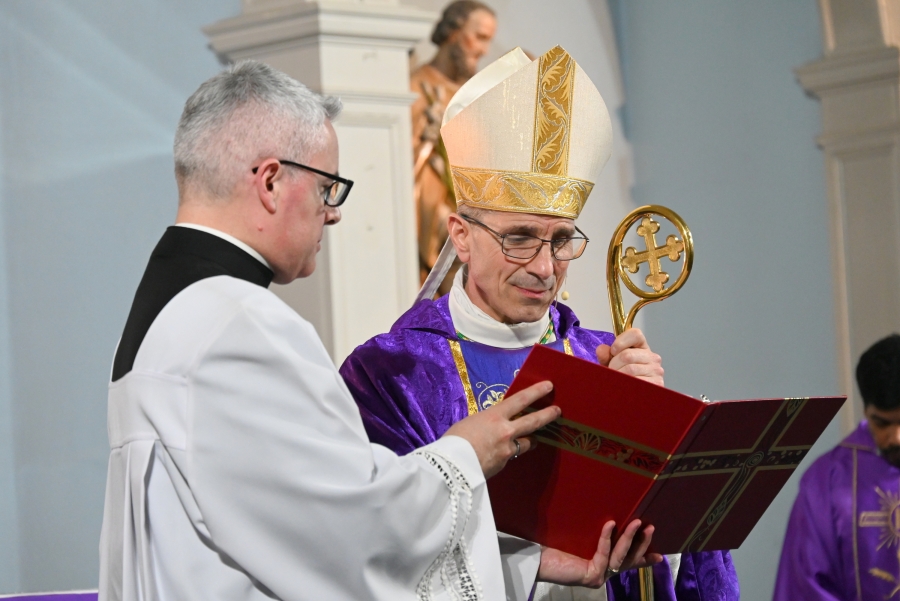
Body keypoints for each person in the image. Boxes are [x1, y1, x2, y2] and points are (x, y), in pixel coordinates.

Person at [98, 60, 658, 601]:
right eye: (326, 189)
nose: (333, 213)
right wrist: (469, 450)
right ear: (270, 181)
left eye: (560, 241)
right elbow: (351, 535)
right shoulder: (245, 328)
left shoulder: (175, 315)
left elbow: (292, 532)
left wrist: (532, 563)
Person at [341, 46, 740, 601]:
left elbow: (677, 557)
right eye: (520, 238)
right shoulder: (391, 374)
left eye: (561, 240)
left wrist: (663, 437)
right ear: (460, 235)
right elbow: (377, 543)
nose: (545, 267)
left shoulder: (607, 357)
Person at [775, 333, 900, 600]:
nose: (896, 437)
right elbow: (805, 586)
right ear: (866, 412)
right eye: (883, 423)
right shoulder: (828, 481)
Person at [411, 0, 496, 291]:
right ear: (452, 32)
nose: (483, 50)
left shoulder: (475, 96)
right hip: (430, 214)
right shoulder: (415, 86)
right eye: (480, 37)